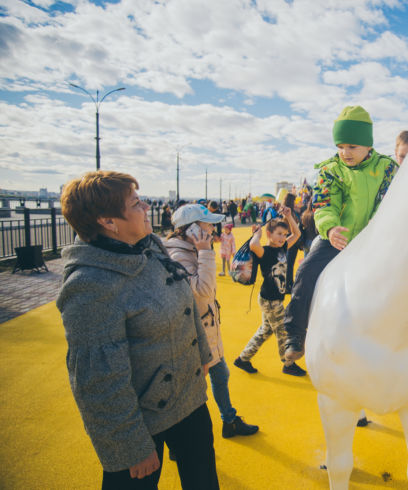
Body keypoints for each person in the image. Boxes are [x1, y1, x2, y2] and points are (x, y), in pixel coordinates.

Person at [56, 171, 220, 489]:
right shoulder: (90, 286)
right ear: (108, 221)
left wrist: (201, 353)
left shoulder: (148, 246)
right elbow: (98, 382)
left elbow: (185, 301)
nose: (146, 207)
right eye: (135, 203)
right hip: (141, 423)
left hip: (189, 401)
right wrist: (131, 449)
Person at [283, 105, 400, 361]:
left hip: (375, 239)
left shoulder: (388, 169)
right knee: (305, 271)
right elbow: (325, 204)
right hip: (338, 239)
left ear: (368, 145)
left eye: (352, 147)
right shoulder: (329, 170)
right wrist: (330, 228)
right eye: (340, 146)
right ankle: (295, 332)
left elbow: (387, 203)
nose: (345, 153)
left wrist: (376, 232)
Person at [165, 204, 259, 440]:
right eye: (207, 224)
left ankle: (229, 420)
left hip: (206, 329)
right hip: (194, 335)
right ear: (192, 229)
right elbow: (203, 290)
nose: (212, 228)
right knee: (190, 389)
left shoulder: (191, 249)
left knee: (220, 374)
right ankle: (181, 442)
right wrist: (206, 250)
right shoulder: (179, 254)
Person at [234, 208, 304, 376]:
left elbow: (297, 234)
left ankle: (243, 359)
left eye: (284, 234)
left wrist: (288, 216)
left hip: (274, 298)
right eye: (279, 233)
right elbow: (253, 244)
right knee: (282, 331)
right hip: (270, 299)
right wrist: (257, 233)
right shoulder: (264, 251)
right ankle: (288, 363)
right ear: (269, 234)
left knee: (265, 330)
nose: (282, 237)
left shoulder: (283, 248)